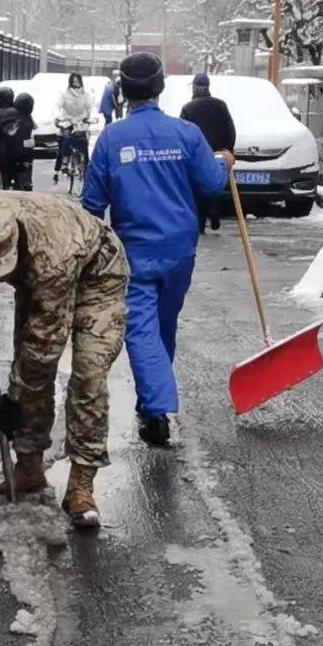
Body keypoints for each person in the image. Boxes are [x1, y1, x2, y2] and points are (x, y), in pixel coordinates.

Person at [81, 53, 234, 447]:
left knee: (142, 329)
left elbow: (92, 203)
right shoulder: (185, 134)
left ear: (123, 91)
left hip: (134, 251)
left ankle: (156, 407)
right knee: (162, 325)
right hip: (180, 249)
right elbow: (211, 184)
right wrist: (225, 163)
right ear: (160, 87)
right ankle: (154, 404)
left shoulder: (112, 139)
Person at [0, 191, 128, 528]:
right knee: (27, 365)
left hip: (98, 271)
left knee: (86, 375)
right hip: (35, 277)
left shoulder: (52, 253)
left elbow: (45, 346)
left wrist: (13, 399)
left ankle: (81, 485)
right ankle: (29, 469)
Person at [180, 73, 237, 233]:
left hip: (198, 154)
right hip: (218, 152)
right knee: (215, 183)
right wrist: (228, 149)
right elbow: (230, 129)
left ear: (194, 87)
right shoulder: (220, 105)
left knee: (198, 187)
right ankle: (214, 211)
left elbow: (184, 134)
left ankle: (200, 223)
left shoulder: (188, 108)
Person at [53, 72, 93, 183]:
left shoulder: (86, 94)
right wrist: (59, 118)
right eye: (74, 81)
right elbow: (57, 106)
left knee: (84, 142)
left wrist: (88, 119)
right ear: (70, 82)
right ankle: (64, 162)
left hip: (81, 122)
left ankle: (86, 165)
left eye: (77, 80)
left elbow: (89, 107)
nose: (76, 83)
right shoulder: (64, 94)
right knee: (66, 138)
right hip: (68, 121)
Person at [0, 92, 37, 191]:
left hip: (7, 151)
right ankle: (26, 184)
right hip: (23, 153)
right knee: (26, 170)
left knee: (5, 175)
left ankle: (6, 185)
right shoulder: (28, 117)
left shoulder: (5, 113)